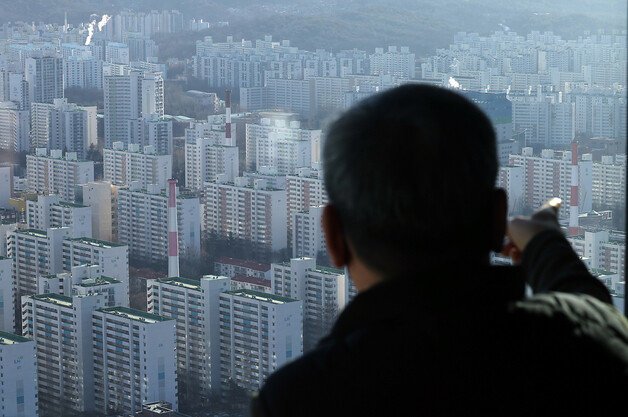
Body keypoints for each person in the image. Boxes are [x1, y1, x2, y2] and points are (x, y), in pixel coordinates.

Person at [250, 84, 628, 416]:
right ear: (498, 218)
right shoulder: (581, 353)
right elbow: (591, 311)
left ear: (332, 236)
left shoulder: (301, 398)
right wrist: (546, 244)